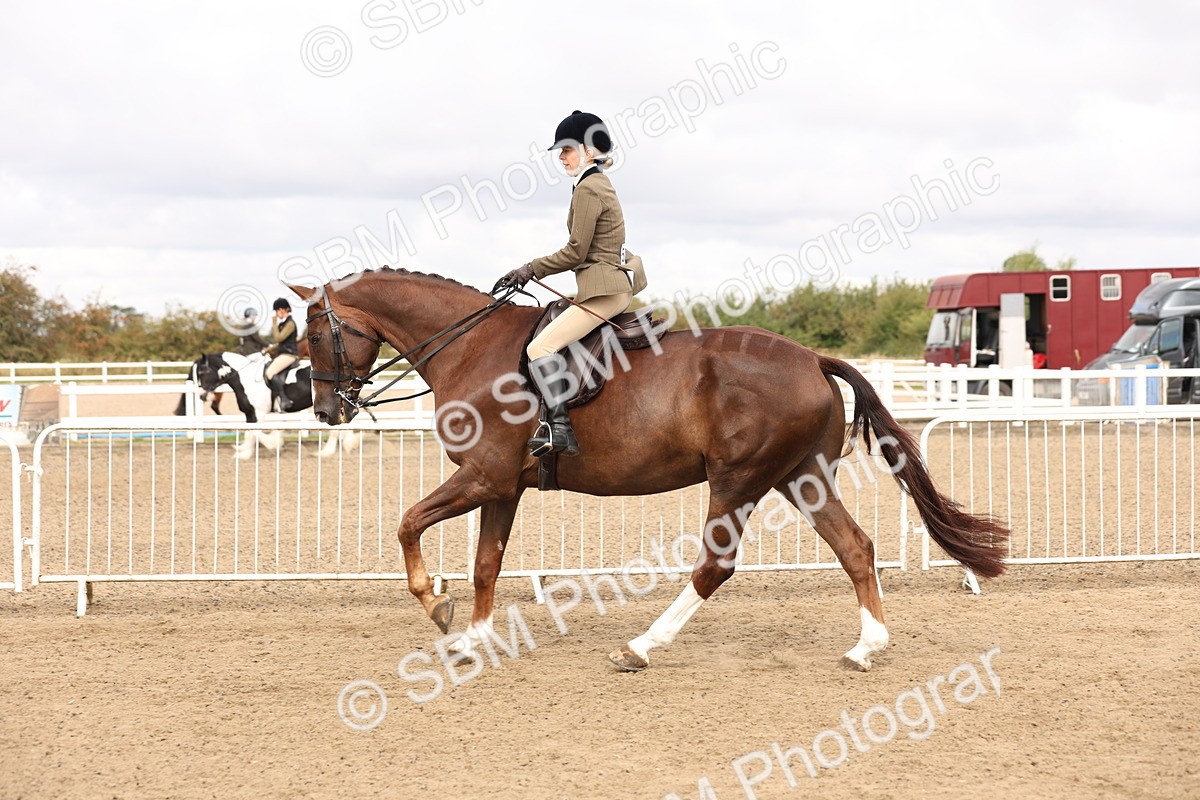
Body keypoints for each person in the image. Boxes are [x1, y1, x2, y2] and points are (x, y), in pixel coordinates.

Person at [495, 110, 648, 458]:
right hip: (604, 285)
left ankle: (561, 429)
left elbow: (576, 252)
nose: (561, 157)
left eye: (567, 149)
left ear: (589, 151)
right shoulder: (592, 183)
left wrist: (530, 269)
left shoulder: (589, 188)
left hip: (606, 292)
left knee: (540, 348)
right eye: (560, 151)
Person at [263, 298, 299, 412]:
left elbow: (279, 338)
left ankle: (284, 399)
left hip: (289, 355)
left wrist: (274, 323)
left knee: (269, 372)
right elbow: (280, 344)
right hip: (284, 353)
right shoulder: (284, 324)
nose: (276, 314)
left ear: (283, 309)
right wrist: (268, 350)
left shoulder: (290, 324)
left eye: (277, 311)